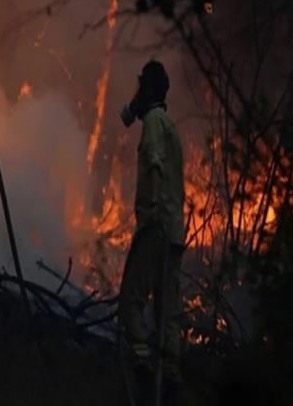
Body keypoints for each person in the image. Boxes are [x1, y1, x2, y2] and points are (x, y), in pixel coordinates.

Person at [118, 60, 185, 405]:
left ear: (148, 91)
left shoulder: (155, 124)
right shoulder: (170, 125)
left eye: (141, 88)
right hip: (174, 233)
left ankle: (143, 368)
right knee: (167, 310)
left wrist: (151, 218)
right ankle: (170, 379)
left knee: (130, 300)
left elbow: (155, 166)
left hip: (156, 228)